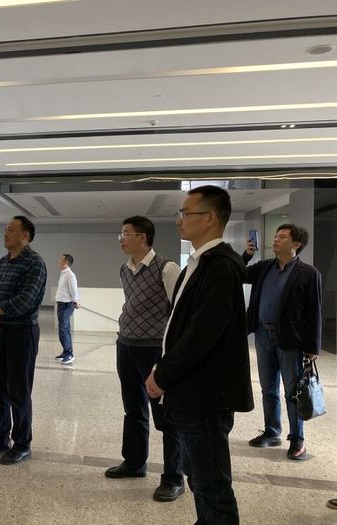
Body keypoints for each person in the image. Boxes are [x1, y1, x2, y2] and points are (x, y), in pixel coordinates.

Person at [145, 186, 253, 524]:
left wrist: (162, 376)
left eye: (185, 213)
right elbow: (178, 326)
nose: (179, 220)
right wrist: (161, 367)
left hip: (205, 395)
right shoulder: (199, 262)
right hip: (190, 391)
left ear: (209, 218)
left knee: (211, 483)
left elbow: (201, 336)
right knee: (199, 476)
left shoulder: (221, 266)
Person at [106, 216, 184, 503]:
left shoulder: (167, 269)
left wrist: (168, 356)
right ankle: (134, 463)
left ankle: (174, 477)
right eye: (121, 233)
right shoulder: (125, 269)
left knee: (165, 416)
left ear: (143, 237)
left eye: (125, 233)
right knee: (133, 409)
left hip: (153, 349)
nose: (121, 238)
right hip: (126, 346)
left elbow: (180, 312)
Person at [242, 224, 322, 460]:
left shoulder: (308, 273)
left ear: (296, 244)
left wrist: (313, 346)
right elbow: (238, 274)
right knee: (268, 388)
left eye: (282, 237)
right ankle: (272, 431)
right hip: (262, 335)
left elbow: (314, 311)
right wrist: (246, 255)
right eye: (276, 235)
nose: (276, 239)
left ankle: (297, 440)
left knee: (293, 391)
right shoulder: (264, 267)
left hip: (290, 339)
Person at [0, 216, 47, 465]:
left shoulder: (35, 263)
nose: (5, 233)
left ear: (25, 236)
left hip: (22, 334)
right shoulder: (4, 261)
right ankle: (0, 437)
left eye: (11, 230)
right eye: (5, 229)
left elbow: (26, 300)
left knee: (18, 390)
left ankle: (22, 443)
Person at [54, 254, 80, 365]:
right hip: (61, 304)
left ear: (66, 263)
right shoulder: (63, 274)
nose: (58, 261)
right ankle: (66, 352)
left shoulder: (70, 275)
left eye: (61, 259)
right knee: (64, 328)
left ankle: (69, 354)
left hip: (66, 305)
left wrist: (75, 301)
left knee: (63, 329)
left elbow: (73, 289)